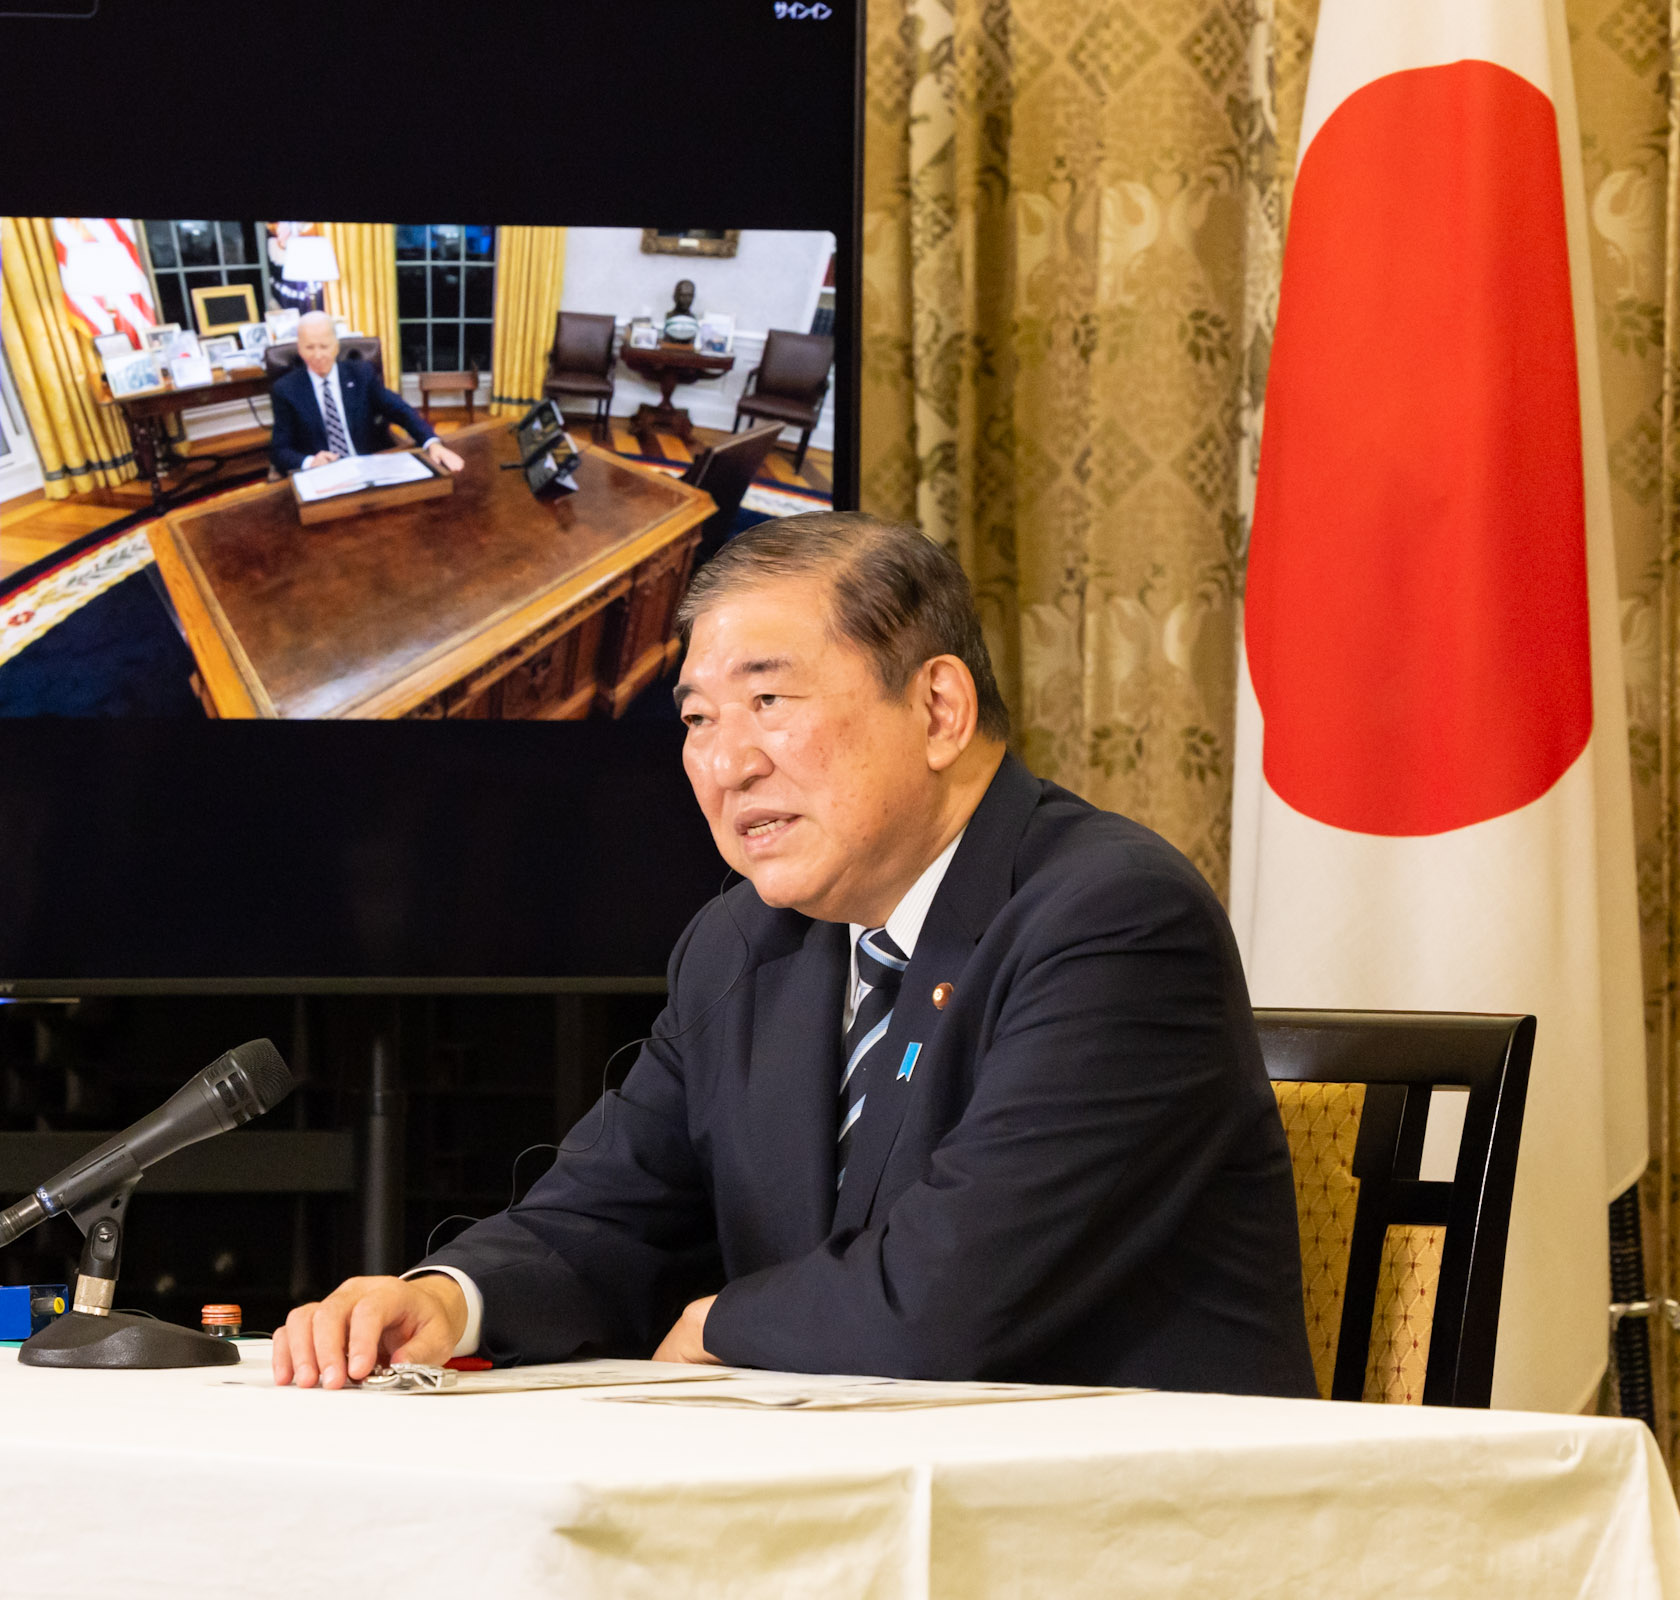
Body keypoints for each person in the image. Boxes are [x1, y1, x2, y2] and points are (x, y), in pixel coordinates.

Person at [273, 513, 1314, 1396]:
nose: (726, 762)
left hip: (1126, 1541)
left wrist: (721, 1324)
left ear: (938, 710)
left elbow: (944, 1301)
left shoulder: (1111, 920)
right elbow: (604, 1211)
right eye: (696, 719)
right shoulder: (741, 942)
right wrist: (444, 1301)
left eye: (769, 702)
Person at [267, 313, 465, 477]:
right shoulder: (285, 389)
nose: (317, 355)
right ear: (300, 348)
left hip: (367, 469)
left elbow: (400, 410)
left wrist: (432, 443)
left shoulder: (361, 374)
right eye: (310, 347)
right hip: (323, 476)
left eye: (324, 346)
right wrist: (310, 462)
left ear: (336, 346)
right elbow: (279, 450)